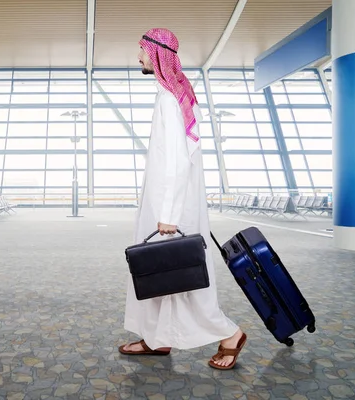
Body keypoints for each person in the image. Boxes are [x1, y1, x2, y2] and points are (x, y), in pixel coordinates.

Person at [118, 28, 247, 370]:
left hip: (170, 205)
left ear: (158, 53)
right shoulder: (174, 94)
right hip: (166, 201)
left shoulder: (169, 100)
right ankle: (158, 338)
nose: (139, 57)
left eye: (142, 50)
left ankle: (229, 333)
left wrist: (169, 214)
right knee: (159, 275)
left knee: (182, 277)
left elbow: (177, 160)